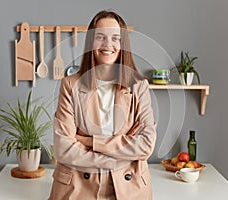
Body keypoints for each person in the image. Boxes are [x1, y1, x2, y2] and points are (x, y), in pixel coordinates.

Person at [49, 10, 157, 200]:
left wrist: (89, 141)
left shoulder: (139, 86)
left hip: (129, 189)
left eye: (115, 38)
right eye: (100, 37)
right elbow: (63, 149)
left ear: (122, 44)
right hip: (77, 189)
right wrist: (123, 153)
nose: (108, 45)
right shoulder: (70, 85)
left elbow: (146, 145)